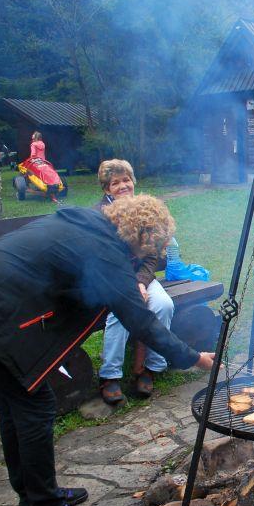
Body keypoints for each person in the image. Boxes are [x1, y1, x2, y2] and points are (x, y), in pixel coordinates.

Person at [0, 195, 216, 506]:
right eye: (151, 248)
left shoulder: (93, 224)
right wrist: (195, 358)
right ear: (142, 235)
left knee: (12, 402)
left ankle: (31, 497)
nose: (148, 255)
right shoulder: (106, 252)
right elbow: (141, 322)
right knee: (35, 406)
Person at [95, 159, 174, 404]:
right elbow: (104, 259)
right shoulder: (100, 215)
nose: (122, 186)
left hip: (142, 276)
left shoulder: (144, 209)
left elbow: (152, 255)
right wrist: (131, 286)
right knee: (120, 313)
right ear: (107, 189)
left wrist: (141, 282)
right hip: (110, 278)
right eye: (115, 183)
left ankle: (150, 368)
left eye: (126, 180)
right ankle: (110, 376)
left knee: (164, 305)